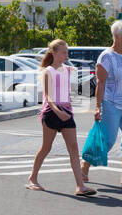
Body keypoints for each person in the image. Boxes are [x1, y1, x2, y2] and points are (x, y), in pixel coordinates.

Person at [27, 39, 96, 196]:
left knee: (73, 148)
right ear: (54, 52)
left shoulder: (68, 70)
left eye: (67, 52)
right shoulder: (47, 71)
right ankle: (32, 178)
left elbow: (69, 90)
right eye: (64, 52)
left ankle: (80, 186)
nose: (67, 55)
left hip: (66, 111)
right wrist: (58, 112)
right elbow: (48, 97)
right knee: (46, 147)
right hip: (51, 112)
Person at [81, 19, 122, 187]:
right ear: (117, 36)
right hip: (111, 103)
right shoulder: (106, 56)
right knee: (107, 140)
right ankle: (84, 168)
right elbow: (100, 83)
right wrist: (97, 107)